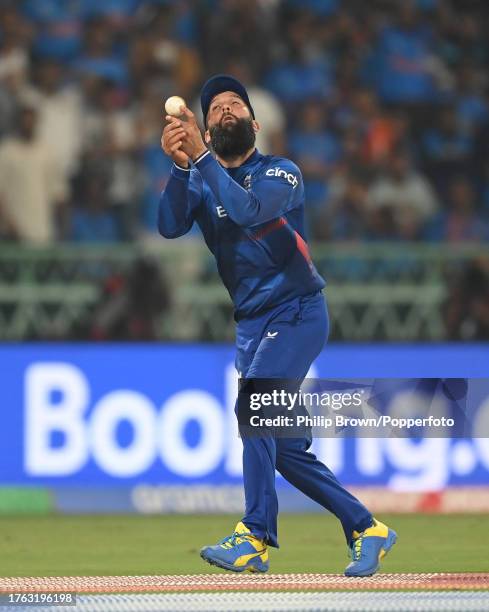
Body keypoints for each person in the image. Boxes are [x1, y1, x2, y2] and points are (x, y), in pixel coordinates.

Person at [158, 74, 397, 576]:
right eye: (216, 108)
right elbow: (169, 224)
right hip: (252, 325)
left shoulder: (281, 173)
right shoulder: (201, 178)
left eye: (234, 106)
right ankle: (366, 527)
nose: (225, 111)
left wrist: (200, 157)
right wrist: (180, 169)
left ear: (255, 123)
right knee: (285, 450)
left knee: (255, 408)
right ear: (206, 126)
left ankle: (254, 536)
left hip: (298, 312)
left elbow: (247, 211)